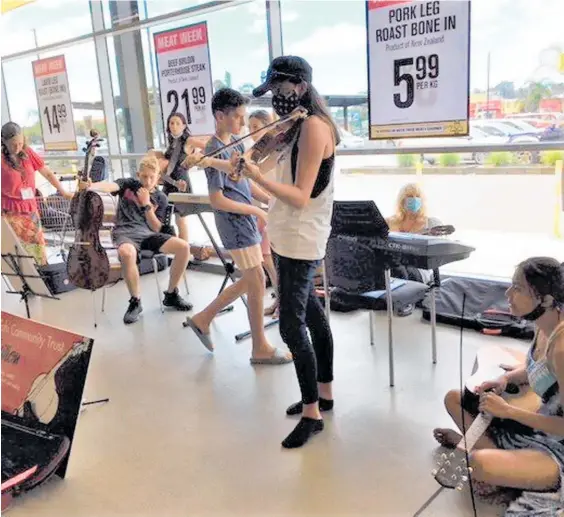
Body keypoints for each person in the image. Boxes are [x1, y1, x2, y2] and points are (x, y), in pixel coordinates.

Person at [241, 55, 339, 448]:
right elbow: (265, 161)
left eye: (280, 91)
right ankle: (325, 395)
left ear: (298, 87)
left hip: (302, 237)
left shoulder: (314, 128)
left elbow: (300, 196)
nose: (276, 100)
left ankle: (312, 413)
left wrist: (255, 175)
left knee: (290, 324)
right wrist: (247, 164)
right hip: (286, 234)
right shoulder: (295, 125)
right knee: (312, 314)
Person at [433, 257, 564, 516]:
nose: (507, 293)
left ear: (547, 300)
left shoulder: (562, 348)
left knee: (479, 464)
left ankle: (486, 455)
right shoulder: (544, 325)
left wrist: (509, 411)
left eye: (518, 288)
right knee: (453, 399)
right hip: (537, 424)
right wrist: (506, 379)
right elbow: (539, 369)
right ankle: (503, 464)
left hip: (557, 445)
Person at [183, 88, 292, 367]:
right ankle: (259, 347)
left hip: (245, 222)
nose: (243, 124)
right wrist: (256, 209)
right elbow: (218, 199)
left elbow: (245, 183)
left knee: (254, 280)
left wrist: (270, 199)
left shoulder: (234, 145)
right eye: (238, 117)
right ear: (219, 116)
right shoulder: (212, 149)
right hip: (235, 224)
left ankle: (203, 318)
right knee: (256, 280)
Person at [81, 154, 192, 324]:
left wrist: (146, 204)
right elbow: (110, 186)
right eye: (144, 176)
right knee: (126, 253)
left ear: (158, 178)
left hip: (148, 234)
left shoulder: (161, 198)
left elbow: (157, 228)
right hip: (125, 233)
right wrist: (91, 185)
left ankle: (171, 294)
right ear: (138, 175)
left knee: (183, 247)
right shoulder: (128, 186)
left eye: (151, 177)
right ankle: (135, 301)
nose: (147, 181)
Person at [1, 122, 73, 265]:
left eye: (20, 143)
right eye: (13, 144)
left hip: (30, 209)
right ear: (3, 142)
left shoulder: (28, 153)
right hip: (10, 212)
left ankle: (43, 280)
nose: (17, 147)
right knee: (19, 253)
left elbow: (46, 172)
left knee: (38, 249)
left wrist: (63, 191)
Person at [248, 110, 279, 317]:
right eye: (249, 128)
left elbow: (266, 186)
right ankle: (279, 301)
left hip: (270, 212)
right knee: (266, 260)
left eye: (256, 128)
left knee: (269, 260)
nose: (252, 133)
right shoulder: (256, 154)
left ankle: (281, 302)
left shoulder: (276, 151)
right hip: (260, 212)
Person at [161, 112, 208, 243]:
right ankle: (177, 248)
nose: (174, 126)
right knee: (167, 217)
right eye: (171, 123)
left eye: (177, 123)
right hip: (169, 182)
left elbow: (209, 147)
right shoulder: (172, 140)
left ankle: (184, 250)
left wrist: (196, 158)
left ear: (184, 126)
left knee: (180, 218)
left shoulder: (188, 140)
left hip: (181, 182)